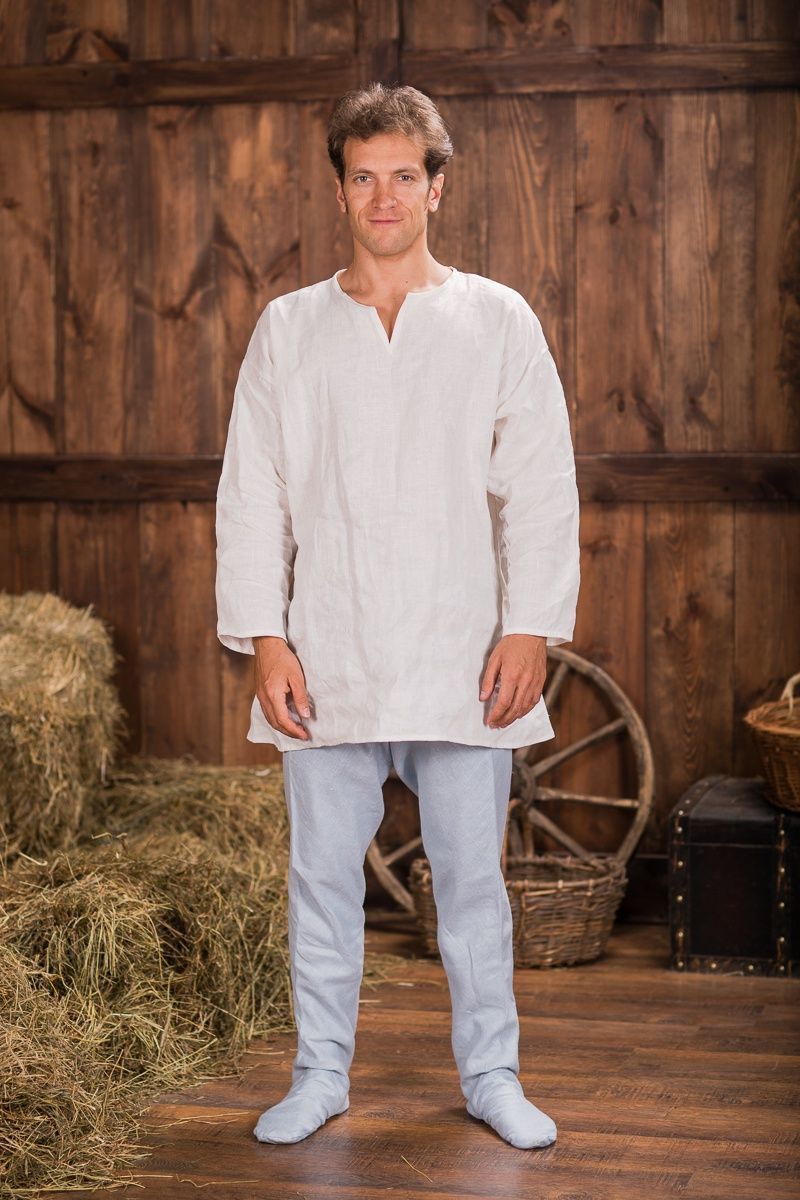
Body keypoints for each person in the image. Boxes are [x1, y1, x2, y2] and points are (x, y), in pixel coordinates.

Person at [215, 82, 580, 1152]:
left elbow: (540, 486)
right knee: (321, 881)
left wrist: (529, 627)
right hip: (327, 650)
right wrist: (267, 639)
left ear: (435, 188)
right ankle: (319, 1073)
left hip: (462, 649)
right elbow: (253, 495)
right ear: (339, 191)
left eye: (403, 176)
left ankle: (492, 1074)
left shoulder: (495, 319)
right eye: (363, 177)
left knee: (472, 885)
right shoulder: (288, 330)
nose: (384, 196)